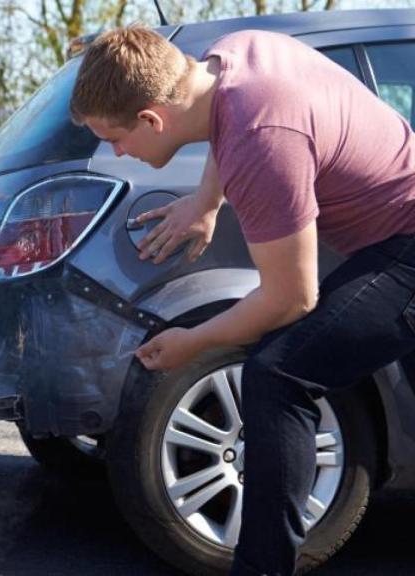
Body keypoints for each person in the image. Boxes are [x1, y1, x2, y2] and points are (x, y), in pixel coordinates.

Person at [71, 26, 415, 575]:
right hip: (394, 237)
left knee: (280, 375)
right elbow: (227, 122)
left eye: (115, 139)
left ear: (152, 119)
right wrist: (206, 200)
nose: (118, 152)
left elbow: (290, 300)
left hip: (406, 244)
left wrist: (193, 342)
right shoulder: (234, 53)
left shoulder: (260, 138)